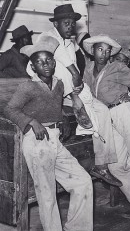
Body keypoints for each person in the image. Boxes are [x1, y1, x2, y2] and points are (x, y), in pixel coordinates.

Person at [4, 36, 93, 231]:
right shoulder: (28, 86)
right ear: (33, 67)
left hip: (54, 140)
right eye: (39, 61)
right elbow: (10, 109)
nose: (45, 64)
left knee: (82, 181)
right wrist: (32, 122)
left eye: (49, 60)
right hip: (36, 141)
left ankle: (77, 227)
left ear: (54, 62)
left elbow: (54, 107)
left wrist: (62, 119)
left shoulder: (59, 84)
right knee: (47, 194)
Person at [27, 4, 122, 187]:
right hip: (54, 94)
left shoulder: (70, 43)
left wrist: (78, 84)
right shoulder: (47, 37)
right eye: (66, 23)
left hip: (74, 91)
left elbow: (76, 69)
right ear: (56, 23)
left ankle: (102, 165)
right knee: (86, 113)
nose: (70, 26)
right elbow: (52, 65)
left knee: (103, 111)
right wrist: (74, 80)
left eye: (72, 23)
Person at [83, 34, 130, 223]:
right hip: (107, 119)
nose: (104, 53)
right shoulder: (88, 69)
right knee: (115, 165)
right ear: (92, 51)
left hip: (125, 112)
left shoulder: (116, 67)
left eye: (108, 51)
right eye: (100, 49)